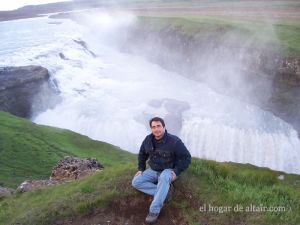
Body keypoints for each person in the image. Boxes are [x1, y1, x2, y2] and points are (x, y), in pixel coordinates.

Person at [132, 117, 191, 224]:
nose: (156, 129)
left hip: (168, 170)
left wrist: (176, 171)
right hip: (153, 170)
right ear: (151, 129)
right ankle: (165, 193)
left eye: (158, 126)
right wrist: (141, 169)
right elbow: (142, 154)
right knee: (136, 182)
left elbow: (186, 158)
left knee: (164, 177)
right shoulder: (148, 140)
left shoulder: (174, 141)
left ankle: (154, 211)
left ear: (164, 126)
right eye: (153, 127)